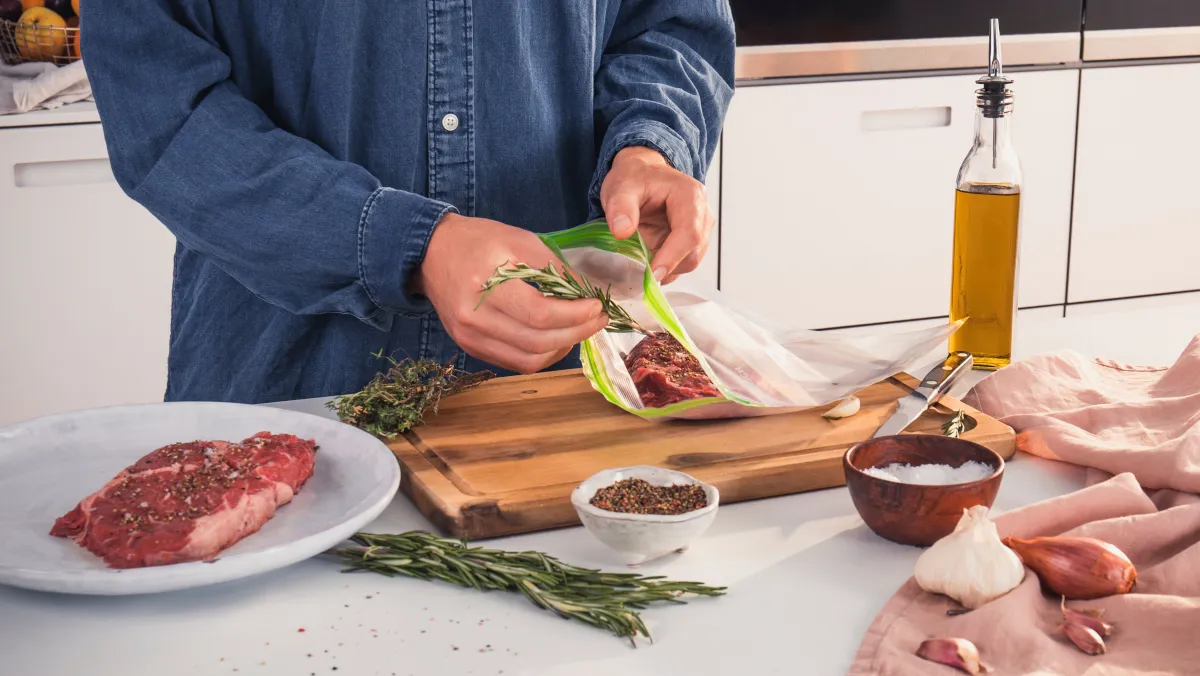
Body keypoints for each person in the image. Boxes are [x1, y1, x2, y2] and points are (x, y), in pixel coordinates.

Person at [82, 1, 735, 404]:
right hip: (291, 395)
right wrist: (408, 243)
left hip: (563, 398)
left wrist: (649, 145)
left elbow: (670, 28)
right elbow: (165, 115)